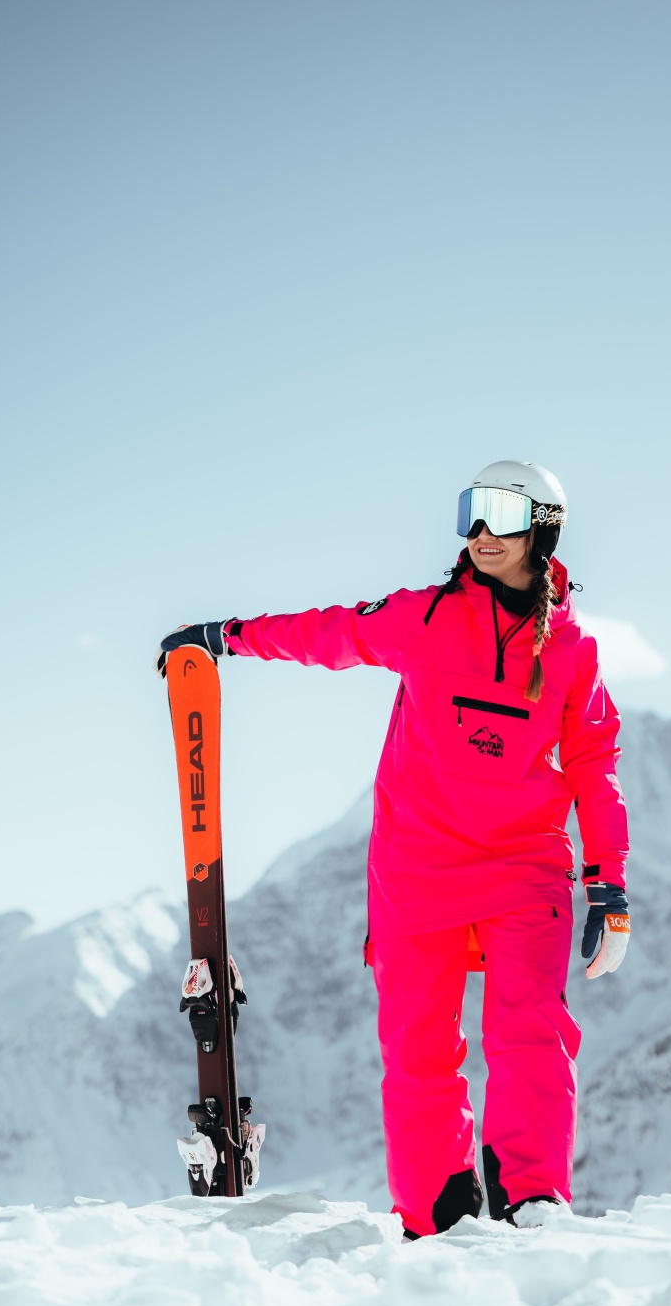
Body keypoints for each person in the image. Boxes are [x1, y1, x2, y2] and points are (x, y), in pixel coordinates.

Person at [156, 460, 630, 1237]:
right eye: (471, 513)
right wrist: (224, 638)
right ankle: (435, 1212)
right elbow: (329, 633)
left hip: (523, 867)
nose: (482, 532)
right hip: (418, 869)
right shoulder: (424, 618)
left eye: (503, 514)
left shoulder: (571, 650)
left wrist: (608, 884)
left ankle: (531, 1199)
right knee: (418, 1051)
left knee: (532, 1033)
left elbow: (592, 763)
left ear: (543, 530)